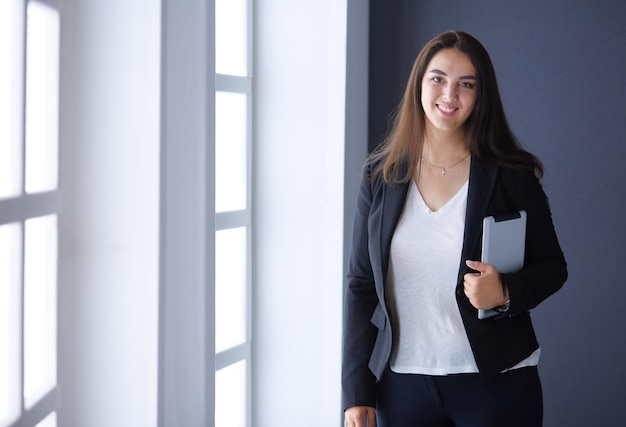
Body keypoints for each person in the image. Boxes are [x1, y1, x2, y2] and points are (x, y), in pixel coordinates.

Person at [342, 31, 567, 427]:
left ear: (481, 95)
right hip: (402, 385)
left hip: (497, 383)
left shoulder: (511, 175)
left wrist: (506, 292)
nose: (451, 94)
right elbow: (361, 286)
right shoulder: (380, 177)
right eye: (439, 78)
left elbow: (552, 267)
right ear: (419, 84)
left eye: (467, 84)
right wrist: (356, 390)